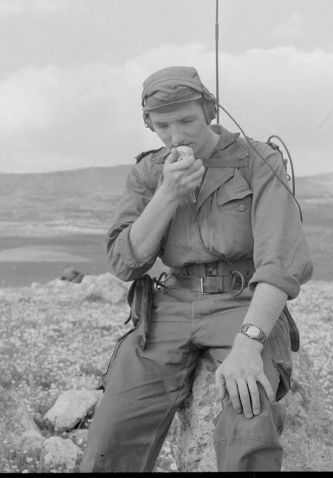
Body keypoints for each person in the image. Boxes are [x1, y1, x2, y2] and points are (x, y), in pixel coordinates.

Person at [80, 65, 313, 472]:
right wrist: (167, 195)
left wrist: (249, 344)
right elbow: (124, 261)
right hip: (171, 304)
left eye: (187, 120)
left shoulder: (258, 159)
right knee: (113, 431)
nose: (177, 135)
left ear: (209, 110)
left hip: (242, 300)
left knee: (249, 412)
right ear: (149, 125)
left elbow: (281, 262)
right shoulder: (150, 173)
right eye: (162, 125)